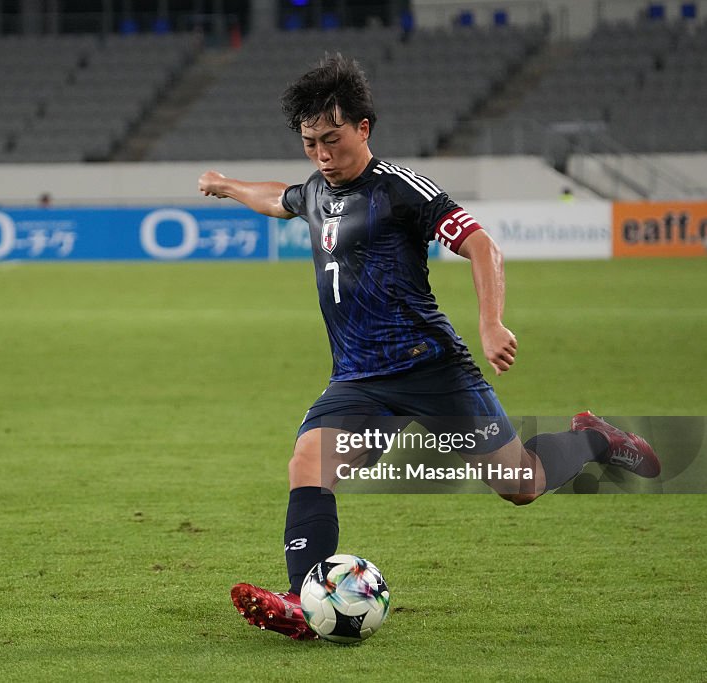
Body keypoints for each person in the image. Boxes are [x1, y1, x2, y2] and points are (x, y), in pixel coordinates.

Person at [197, 54, 661, 641]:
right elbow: (278, 198)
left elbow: (482, 245)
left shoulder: (399, 191)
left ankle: (596, 438)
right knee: (308, 464)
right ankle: (300, 603)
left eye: (332, 140)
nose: (321, 154)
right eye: (310, 142)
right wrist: (227, 186)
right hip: (358, 379)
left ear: (363, 129)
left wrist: (491, 323)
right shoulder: (316, 191)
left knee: (520, 485)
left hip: (431, 368)